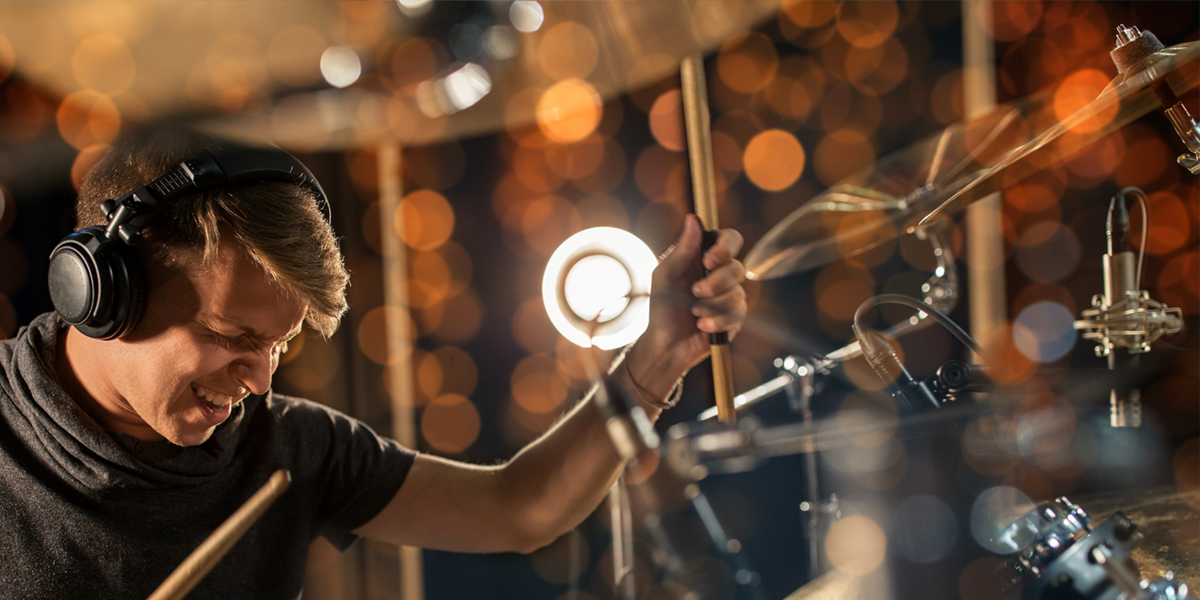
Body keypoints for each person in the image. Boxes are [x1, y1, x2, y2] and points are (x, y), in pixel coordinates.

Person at [0, 131, 747, 598]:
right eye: (232, 337)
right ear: (102, 294)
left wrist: (656, 358)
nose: (260, 381)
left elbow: (519, 508)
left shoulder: (285, 447)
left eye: (277, 347)